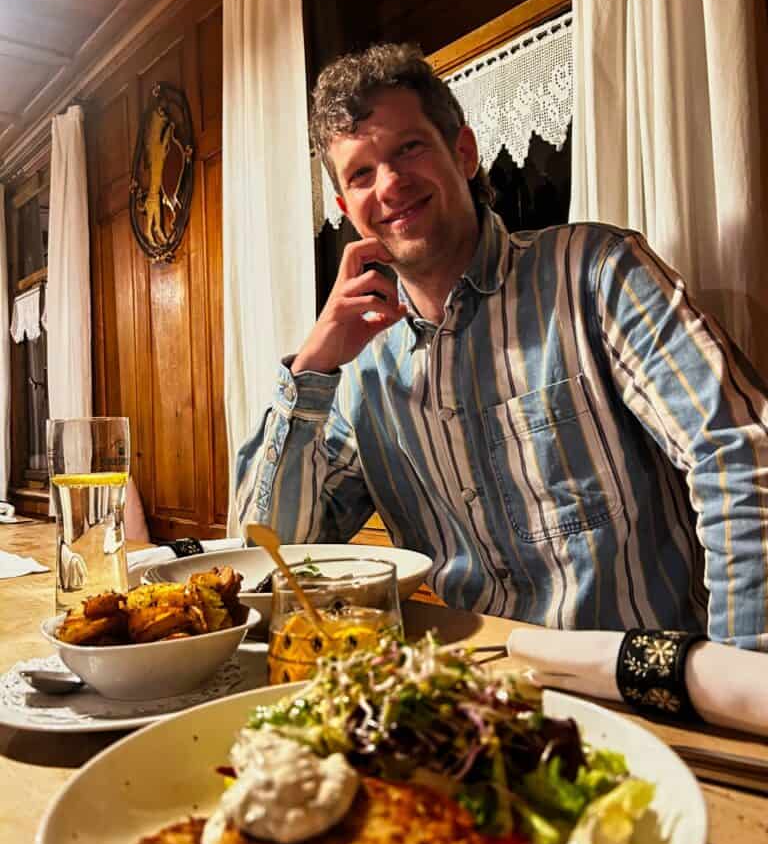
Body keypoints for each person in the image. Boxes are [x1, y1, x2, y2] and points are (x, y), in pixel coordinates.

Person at [235, 42, 768, 651]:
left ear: (463, 152)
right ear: (346, 209)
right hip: (479, 694)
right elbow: (267, 558)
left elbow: (740, 458)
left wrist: (739, 680)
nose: (389, 184)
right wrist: (312, 369)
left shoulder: (595, 273)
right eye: (360, 173)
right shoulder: (362, 373)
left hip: (641, 690)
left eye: (409, 148)